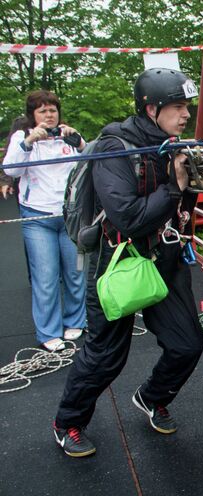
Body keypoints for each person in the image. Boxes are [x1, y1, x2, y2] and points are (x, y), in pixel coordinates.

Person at [52, 68, 203, 457]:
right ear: (151, 108)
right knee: (105, 356)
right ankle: (68, 421)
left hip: (163, 257)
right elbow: (128, 217)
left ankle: (152, 396)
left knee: (187, 344)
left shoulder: (172, 145)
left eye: (187, 106)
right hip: (116, 259)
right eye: (177, 107)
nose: (185, 114)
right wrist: (174, 188)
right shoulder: (113, 148)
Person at [2, 91, 87, 352]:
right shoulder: (21, 137)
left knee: (75, 272)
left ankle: (76, 320)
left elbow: (89, 164)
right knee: (46, 277)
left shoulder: (67, 135)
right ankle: (48, 332)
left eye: (52, 110)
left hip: (68, 215)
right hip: (38, 217)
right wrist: (28, 143)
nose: (49, 115)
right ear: (33, 115)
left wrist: (80, 143)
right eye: (42, 111)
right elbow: (11, 171)